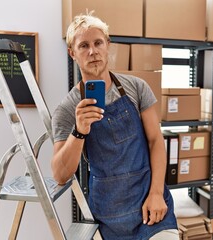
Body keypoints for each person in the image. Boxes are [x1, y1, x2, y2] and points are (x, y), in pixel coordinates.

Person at [51, 12, 178, 240]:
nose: (93, 51)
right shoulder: (68, 109)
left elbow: (156, 141)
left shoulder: (137, 88)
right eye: (84, 46)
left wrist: (157, 193)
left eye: (98, 43)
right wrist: (79, 131)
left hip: (150, 207)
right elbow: (60, 175)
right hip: (106, 217)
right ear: (72, 53)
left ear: (107, 45)